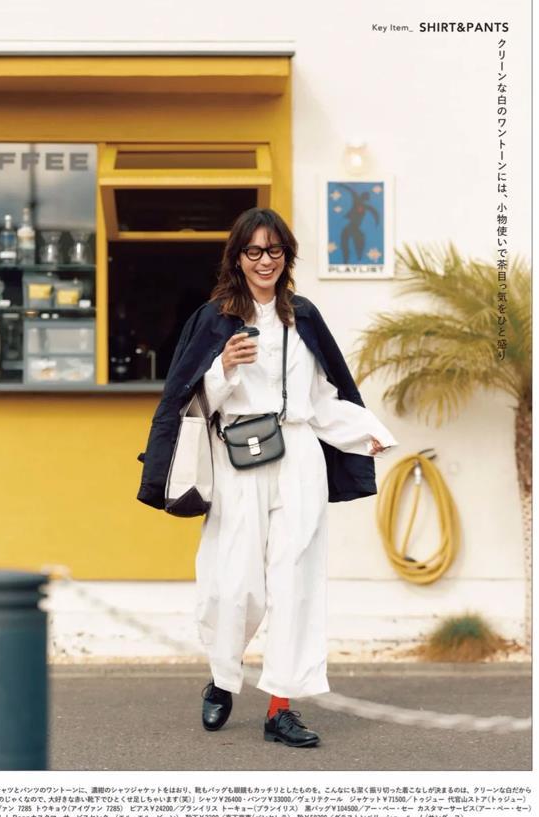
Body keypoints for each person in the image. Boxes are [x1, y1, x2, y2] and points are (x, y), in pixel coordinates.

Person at [137, 207, 398, 748]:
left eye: (274, 250)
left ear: (287, 256)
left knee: (296, 582)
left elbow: (322, 398)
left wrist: (363, 431)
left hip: (298, 455)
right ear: (237, 258)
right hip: (239, 456)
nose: (264, 260)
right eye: (253, 250)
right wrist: (224, 367)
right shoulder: (214, 319)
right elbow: (191, 400)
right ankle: (222, 675)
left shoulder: (304, 316)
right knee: (234, 584)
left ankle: (281, 707)